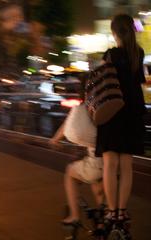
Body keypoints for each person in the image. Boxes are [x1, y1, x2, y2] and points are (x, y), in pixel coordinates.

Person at [95, 14, 146, 223]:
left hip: (112, 110)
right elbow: (139, 83)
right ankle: (122, 212)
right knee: (126, 164)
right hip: (133, 113)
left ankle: (111, 211)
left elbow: (100, 82)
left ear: (114, 32)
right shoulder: (139, 53)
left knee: (110, 163)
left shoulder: (110, 55)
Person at [49, 76, 104, 225]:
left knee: (70, 173)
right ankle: (103, 221)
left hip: (97, 161)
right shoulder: (107, 105)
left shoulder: (83, 108)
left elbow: (67, 126)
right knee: (97, 183)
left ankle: (74, 216)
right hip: (112, 161)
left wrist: (55, 140)